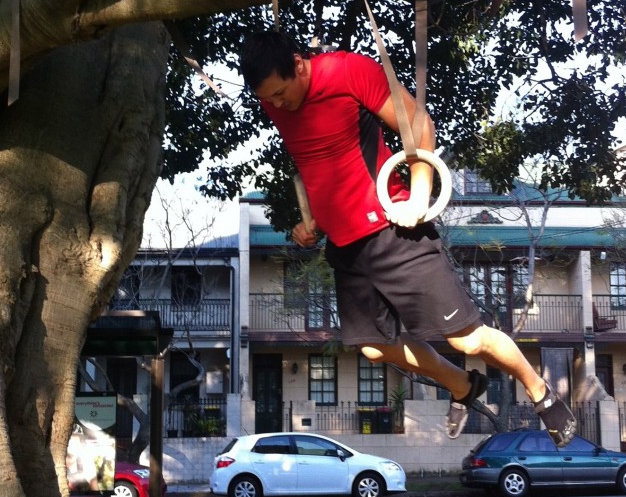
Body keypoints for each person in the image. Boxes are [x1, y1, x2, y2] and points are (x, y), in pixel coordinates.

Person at [240, 30, 577, 447]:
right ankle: (462, 384)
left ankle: (539, 391)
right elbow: (317, 161)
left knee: (465, 337)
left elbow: (417, 123)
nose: (275, 105)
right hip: (345, 245)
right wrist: (313, 223)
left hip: (393, 227)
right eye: (267, 99)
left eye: (279, 93)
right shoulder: (276, 102)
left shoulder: (349, 71)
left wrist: (420, 191)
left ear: (297, 63)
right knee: (374, 348)